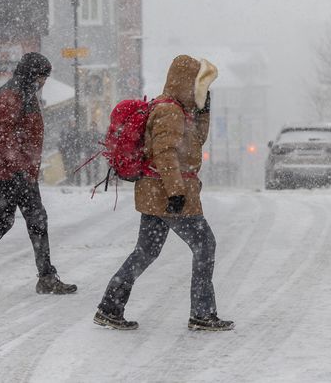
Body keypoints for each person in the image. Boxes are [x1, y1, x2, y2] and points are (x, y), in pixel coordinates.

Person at [94, 55, 233, 331]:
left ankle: (110, 307)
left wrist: (203, 110)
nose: (199, 90)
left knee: (146, 251)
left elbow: (195, 141)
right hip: (166, 193)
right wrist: (176, 192)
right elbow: (165, 154)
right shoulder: (170, 111)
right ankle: (202, 314)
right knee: (205, 245)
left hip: (157, 192)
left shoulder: (179, 109)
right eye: (197, 84)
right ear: (184, 82)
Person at [0, 52, 77, 295]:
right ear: (32, 74)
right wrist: (19, 168)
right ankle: (46, 277)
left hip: (16, 169)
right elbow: (6, 135)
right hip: (14, 171)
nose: (44, 82)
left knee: (3, 221)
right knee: (34, 220)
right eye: (42, 76)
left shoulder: (24, 93)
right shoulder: (13, 94)